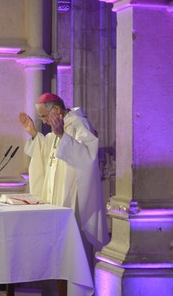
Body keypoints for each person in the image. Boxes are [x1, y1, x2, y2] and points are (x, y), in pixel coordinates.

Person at [18, 93, 109, 256]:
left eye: (44, 116)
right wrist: (34, 134)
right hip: (57, 197)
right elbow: (47, 153)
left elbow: (89, 157)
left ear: (56, 109)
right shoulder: (56, 131)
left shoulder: (79, 124)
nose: (44, 121)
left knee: (73, 252)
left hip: (73, 197)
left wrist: (62, 135)